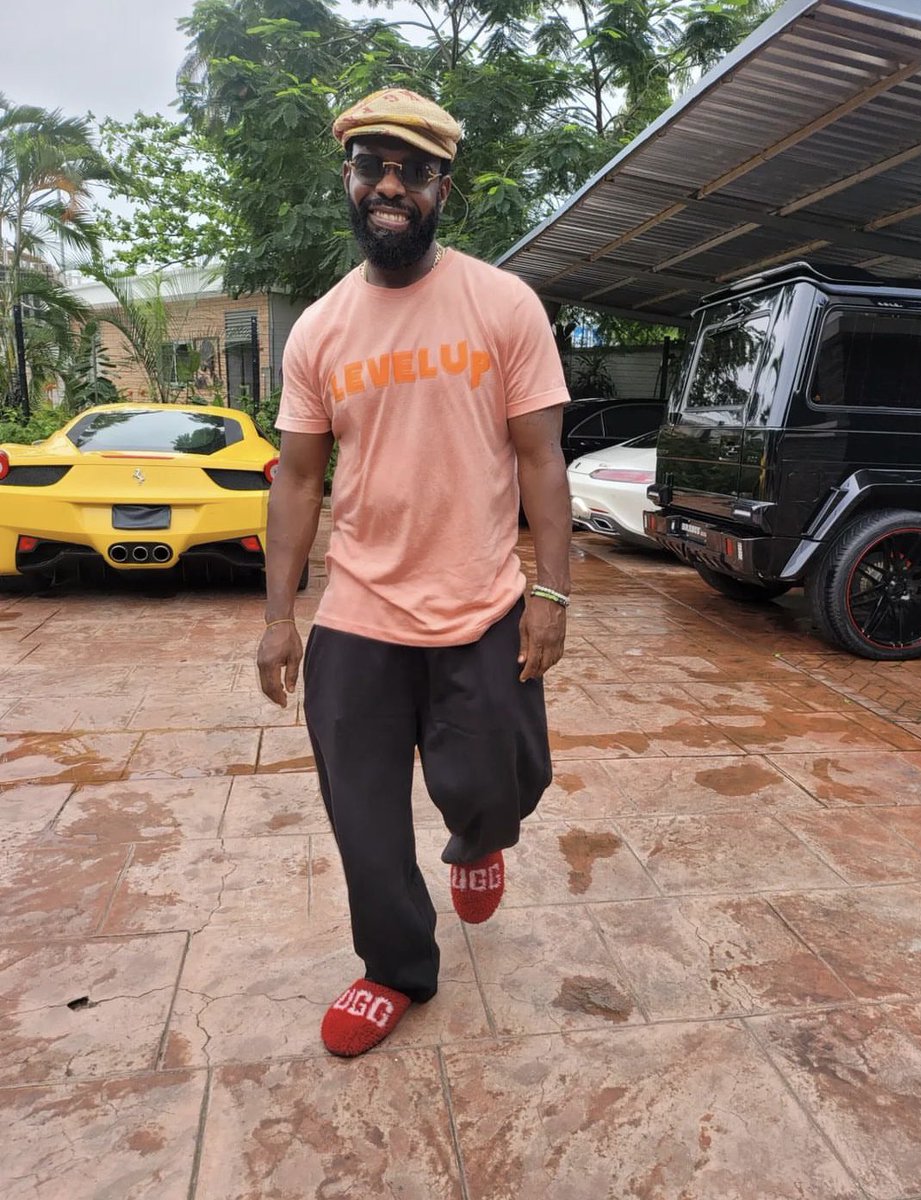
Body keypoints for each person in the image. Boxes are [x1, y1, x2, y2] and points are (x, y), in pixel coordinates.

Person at [257, 87, 572, 1058]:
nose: (389, 185)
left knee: (498, 779)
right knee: (361, 813)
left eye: (413, 170)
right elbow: (298, 479)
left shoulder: (501, 304)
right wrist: (277, 617)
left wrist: (551, 591)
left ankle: (479, 839)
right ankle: (394, 968)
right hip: (359, 606)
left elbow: (540, 461)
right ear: (349, 180)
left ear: (442, 187)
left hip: (481, 599)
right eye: (372, 167)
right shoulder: (319, 329)